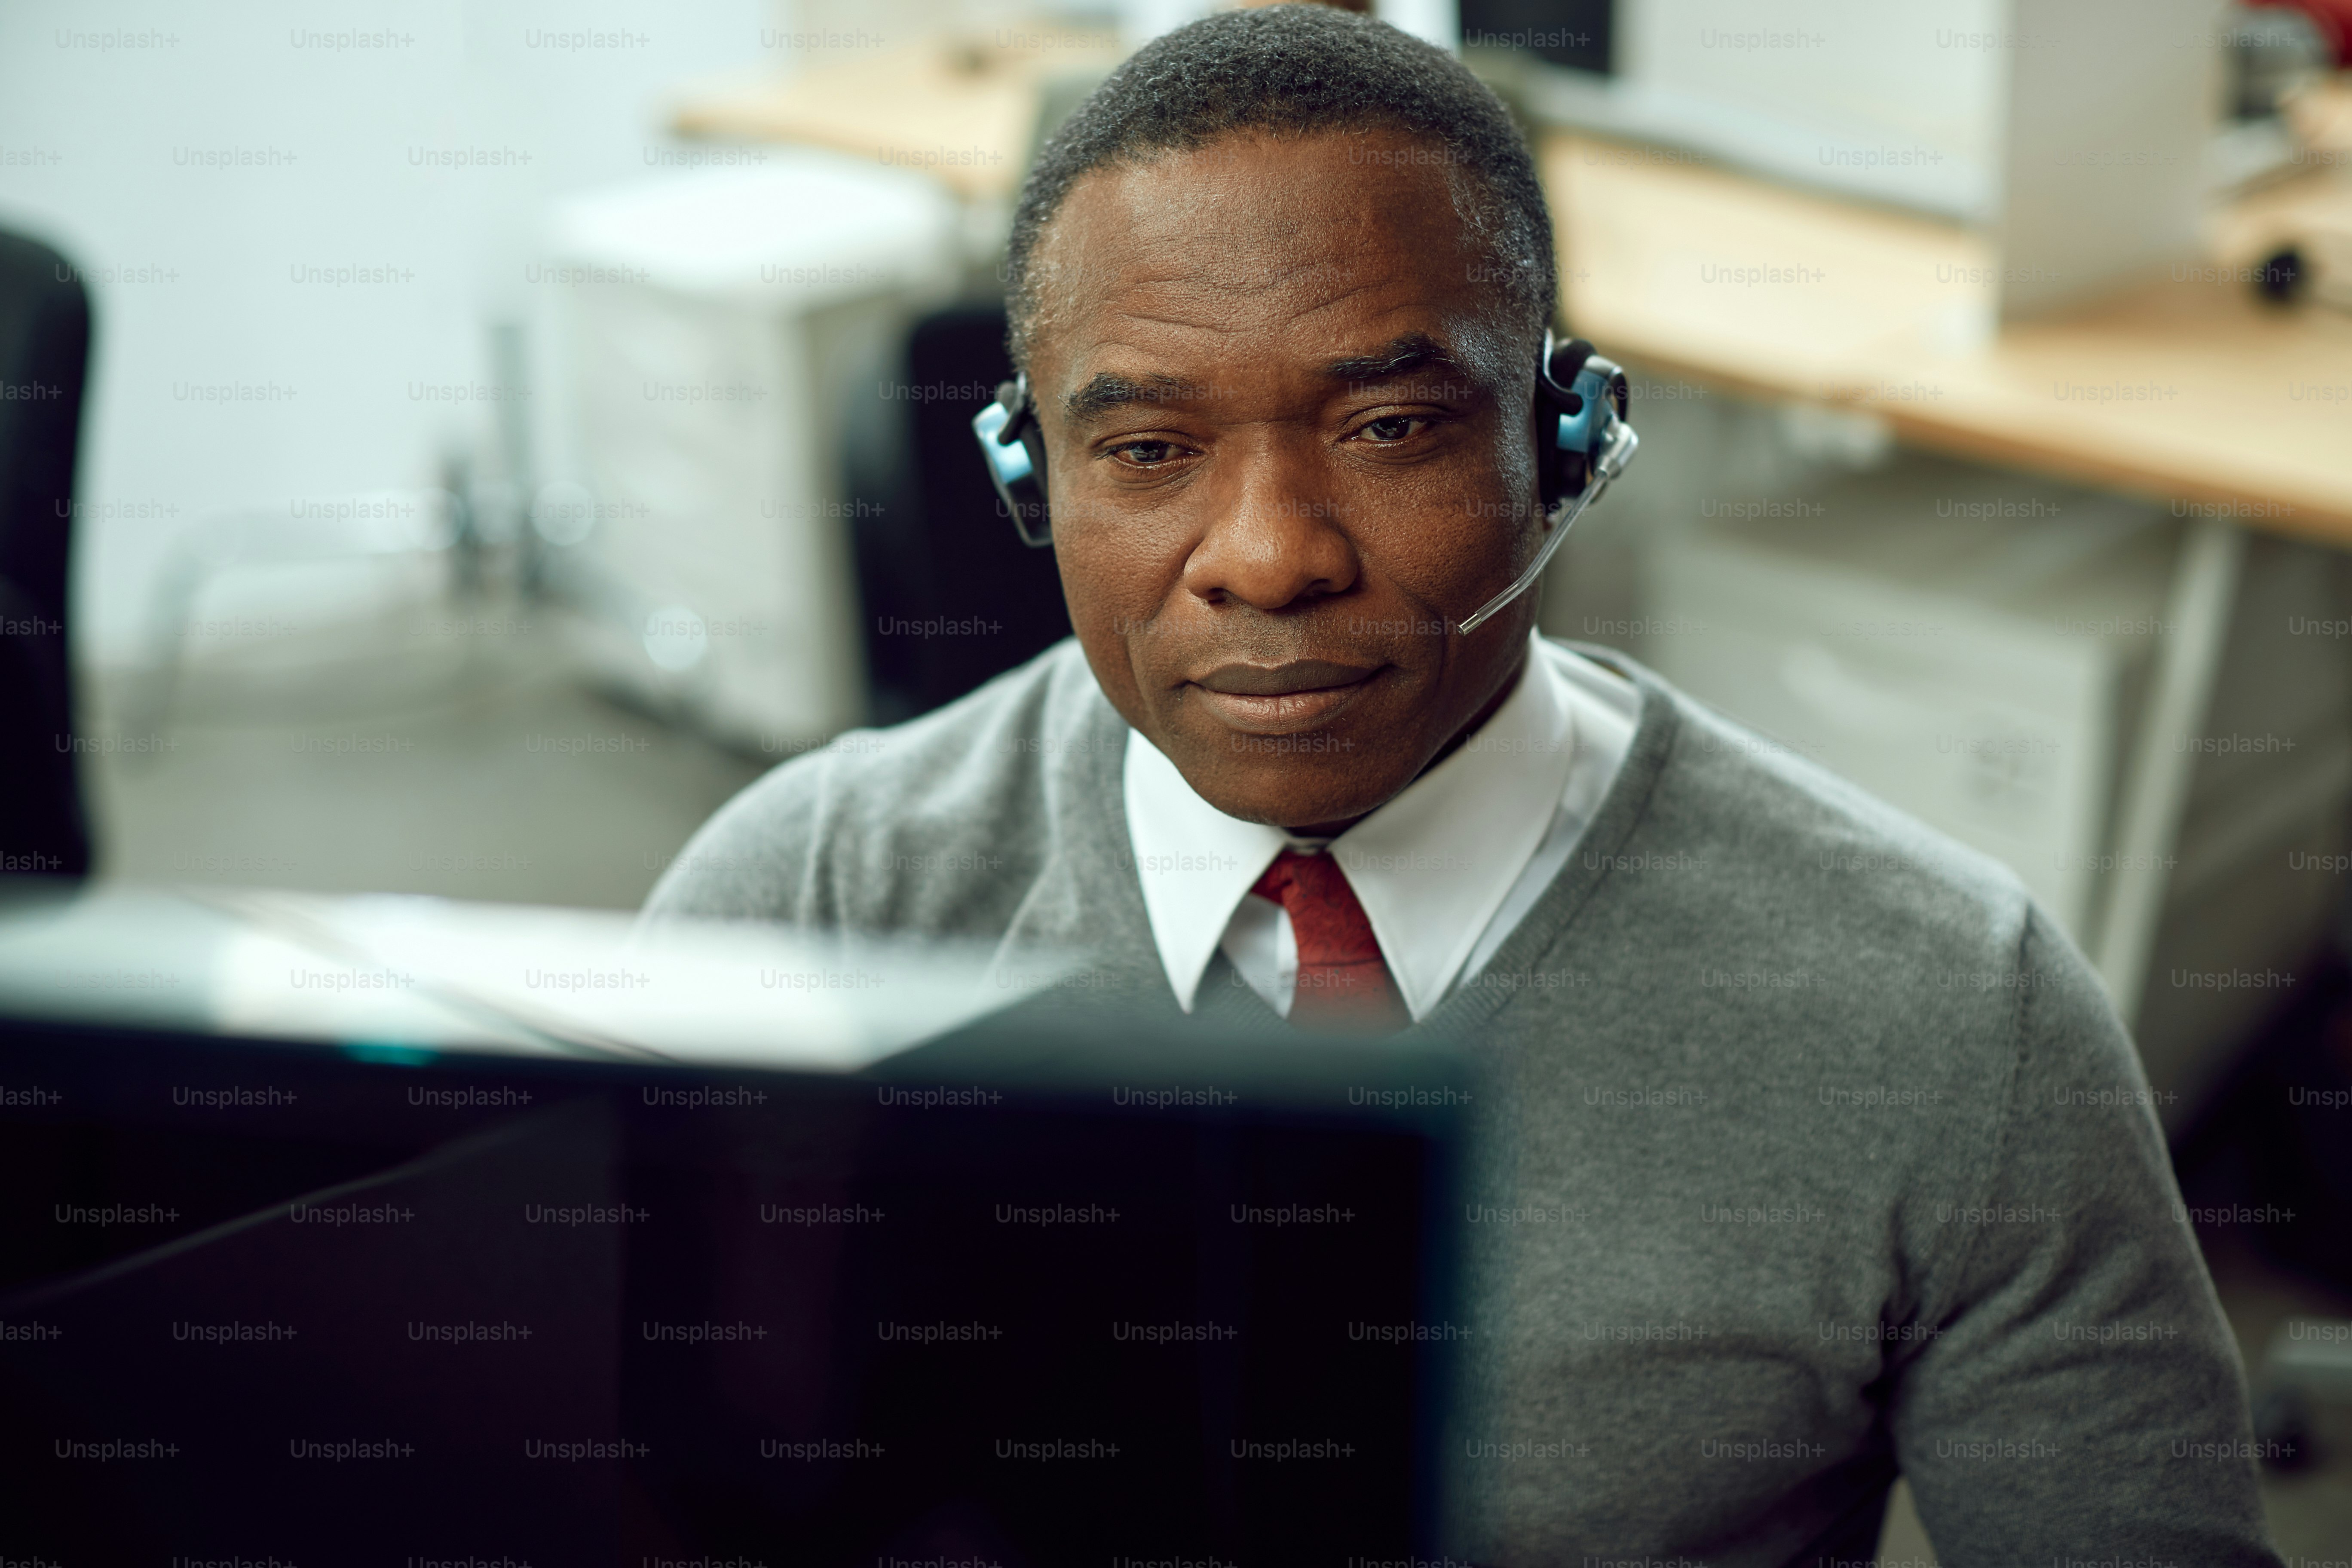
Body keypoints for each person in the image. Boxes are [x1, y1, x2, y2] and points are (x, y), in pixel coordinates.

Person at [645, 7, 2282, 1562]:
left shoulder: (1955, 1016)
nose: (1268, 556)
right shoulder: (803, 909)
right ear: (1031, 477)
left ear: (1568, 445)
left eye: (1389, 427)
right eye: (1147, 451)